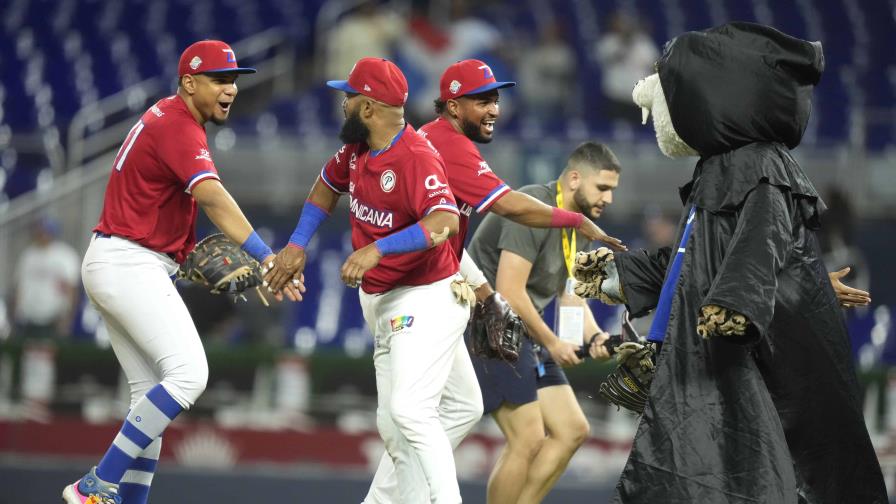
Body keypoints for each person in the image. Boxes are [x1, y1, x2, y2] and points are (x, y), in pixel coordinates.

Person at [587, 23, 885, 503]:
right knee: (698, 471)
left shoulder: (761, 165)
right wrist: (618, 274)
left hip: (742, 354)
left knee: (754, 473)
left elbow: (759, 242)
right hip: (704, 354)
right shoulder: (717, 170)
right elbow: (697, 260)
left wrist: (737, 303)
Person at [360, 59, 623, 503]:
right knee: (504, 433)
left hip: (464, 301)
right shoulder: (452, 149)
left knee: (538, 424)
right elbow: (510, 235)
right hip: (432, 300)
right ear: (453, 105)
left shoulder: (443, 143)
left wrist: (594, 336)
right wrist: (576, 220)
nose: (494, 108)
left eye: (496, 98)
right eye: (482, 99)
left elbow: (565, 289)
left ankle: (394, 497)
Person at [62, 40, 301, 504]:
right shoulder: (178, 125)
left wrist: (185, 252)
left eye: (234, 79)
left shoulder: (169, 117)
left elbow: (160, 202)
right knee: (190, 375)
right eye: (219, 79)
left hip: (117, 258)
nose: (230, 88)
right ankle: (95, 484)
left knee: (147, 401)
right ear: (189, 82)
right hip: (130, 263)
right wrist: (267, 256)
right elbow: (211, 195)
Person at [264, 57, 475, 504]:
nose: (342, 104)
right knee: (402, 427)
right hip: (382, 299)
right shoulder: (356, 150)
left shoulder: (416, 156)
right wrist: (298, 243)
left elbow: (446, 221)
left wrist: (379, 248)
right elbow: (325, 188)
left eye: (349, 97)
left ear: (368, 108)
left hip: (426, 297)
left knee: (408, 412)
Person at [466, 142, 621, 504]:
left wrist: (595, 335)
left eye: (613, 189)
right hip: (486, 323)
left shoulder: (581, 228)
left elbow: (571, 294)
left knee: (571, 430)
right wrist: (553, 342)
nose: (609, 199)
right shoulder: (532, 205)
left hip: (520, 332)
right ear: (574, 179)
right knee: (528, 438)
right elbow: (508, 291)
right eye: (603, 188)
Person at [9, 216, 79, 341]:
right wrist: (15, 315)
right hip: (28, 318)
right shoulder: (28, 255)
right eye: (39, 231)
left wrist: (68, 319)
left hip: (54, 319)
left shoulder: (64, 254)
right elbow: (19, 287)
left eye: (45, 231)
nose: (41, 234)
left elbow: (72, 289)